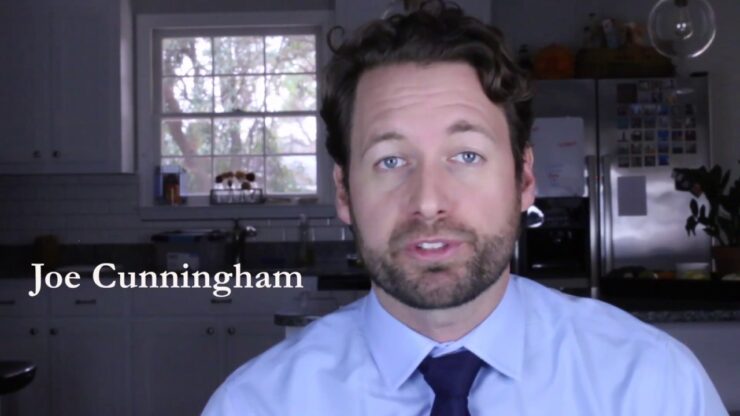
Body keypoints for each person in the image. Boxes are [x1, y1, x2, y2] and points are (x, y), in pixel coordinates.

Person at [202, 2, 728, 415]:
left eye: (467, 155)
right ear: (344, 193)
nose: (428, 201)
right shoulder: (256, 405)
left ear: (524, 179)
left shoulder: (652, 386)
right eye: (390, 161)